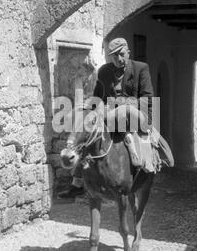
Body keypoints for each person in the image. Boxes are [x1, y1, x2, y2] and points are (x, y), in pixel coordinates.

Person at [58, 37, 174, 199]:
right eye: (114, 56)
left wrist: (117, 103)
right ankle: (77, 182)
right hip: (111, 113)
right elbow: (98, 96)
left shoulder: (141, 68)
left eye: (121, 54)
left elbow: (147, 98)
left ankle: (135, 155)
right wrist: (87, 107)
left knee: (121, 112)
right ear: (110, 57)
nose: (118, 59)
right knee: (87, 130)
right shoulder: (104, 71)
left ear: (128, 52)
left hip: (138, 113)